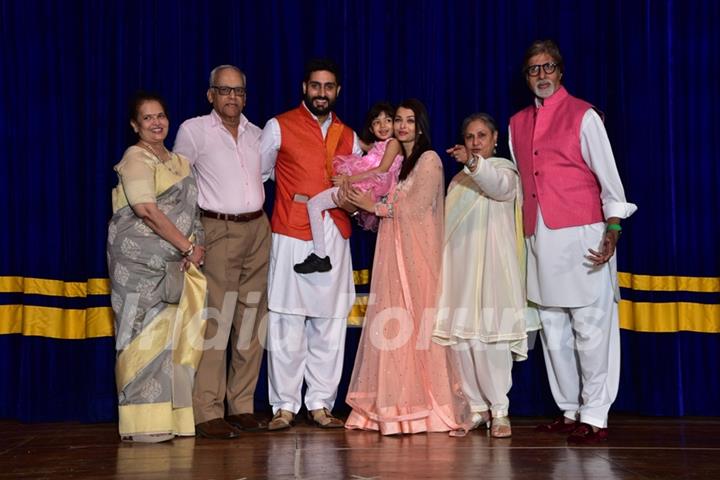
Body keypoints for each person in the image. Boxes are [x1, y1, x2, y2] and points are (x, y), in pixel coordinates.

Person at [509, 40, 637, 444]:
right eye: (534, 69)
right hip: (539, 236)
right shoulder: (515, 123)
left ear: (560, 72)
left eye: (548, 67)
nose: (542, 75)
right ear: (527, 77)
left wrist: (613, 229)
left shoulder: (584, 115)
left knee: (591, 326)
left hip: (583, 234)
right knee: (553, 329)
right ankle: (569, 410)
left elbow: (610, 181)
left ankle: (595, 414)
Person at [343, 98, 470, 435]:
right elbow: (392, 201)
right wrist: (364, 204)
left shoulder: (428, 160)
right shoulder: (402, 163)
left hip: (417, 256)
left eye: (409, 121)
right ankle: (394, 406)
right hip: (394, 251)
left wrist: (376, 205)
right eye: (398, 120)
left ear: (421, 125)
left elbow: (414, 208)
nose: (401, 126)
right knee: (394, 328)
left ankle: (425, 408)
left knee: (416, 326)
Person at [260, 58, 363, 430]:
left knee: (329, 322)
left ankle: (320, 403)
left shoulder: (349, 135)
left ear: (338, 91)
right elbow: (261, 173)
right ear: (305, 87)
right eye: (316, 86)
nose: (322, 93)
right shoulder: (278, 126)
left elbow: (362, 187)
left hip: (334, 235)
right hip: (290, 232)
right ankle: (284, 406)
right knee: (287, 320)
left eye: (329, 87)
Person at [173, 65, 270, 439]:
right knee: (215, 319)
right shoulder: (193, 131)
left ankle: (242, 405)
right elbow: (178, 186)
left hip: (258, 228)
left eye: (239, 91)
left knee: (251, 320)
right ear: (210, 94)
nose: (233, 98)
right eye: (224, 90)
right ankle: (207, 410)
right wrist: (188, 239)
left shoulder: (258, 135)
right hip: (216, 228)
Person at [107, 91, 207, 443]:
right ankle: (143, 425)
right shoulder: (135, 158)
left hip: (176, 263)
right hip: (139, 265)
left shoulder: (180, 161)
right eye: (147, 118)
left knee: (175, 340)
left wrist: (197, 245)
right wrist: (187, 245)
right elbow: (146, 210)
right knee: (143, 340)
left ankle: (174, 420)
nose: (156, 123)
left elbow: (193, 211)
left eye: (161, 115)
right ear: (135, 125)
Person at [432, 113, 538, 438]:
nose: (475, 142)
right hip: (460, 275)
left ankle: (500, 411)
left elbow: (498, 189)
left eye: (481, 136)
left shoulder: (505, 171)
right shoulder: (458, 182)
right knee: (463, 342)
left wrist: (474, 164)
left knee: (493, 342)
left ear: (494, 140)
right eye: (469, 137)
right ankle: (476, 409)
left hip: (494, 271)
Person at [293, 102, 403, 274]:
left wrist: (348, 179)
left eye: (387, 120)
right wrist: (331, 123)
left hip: (368, 188)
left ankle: (320, 256)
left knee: (313, 204)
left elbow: (382, 169)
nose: (382, 126)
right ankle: (320, 255)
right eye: (377, 122)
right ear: (371, 127)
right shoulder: (376, 146)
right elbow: (354, 138)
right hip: (366, 189)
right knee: (315, 204)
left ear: (395, 123)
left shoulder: (394, 143)